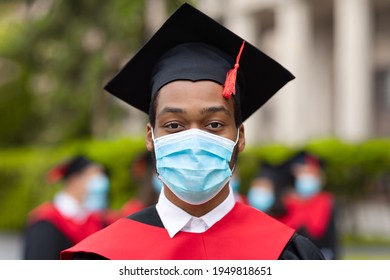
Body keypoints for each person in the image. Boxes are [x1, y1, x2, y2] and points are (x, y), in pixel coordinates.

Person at [61, 3, 324, 260]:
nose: (195, 140)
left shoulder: (287, 255)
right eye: (174, 125)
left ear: (240, 137)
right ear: (150, 137)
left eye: (214, 125)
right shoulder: (104, 258)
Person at [23, 155, 110, 259]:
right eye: (93, 175)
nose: (101, 182)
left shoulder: (97, 221)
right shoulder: (45, 222)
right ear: (74, 180)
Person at [278, 150, 339, 259]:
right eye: (302, 173)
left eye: (310, 173)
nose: (306, 177)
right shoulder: (286, 201)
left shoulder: (325, 201)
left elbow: (330, 240)